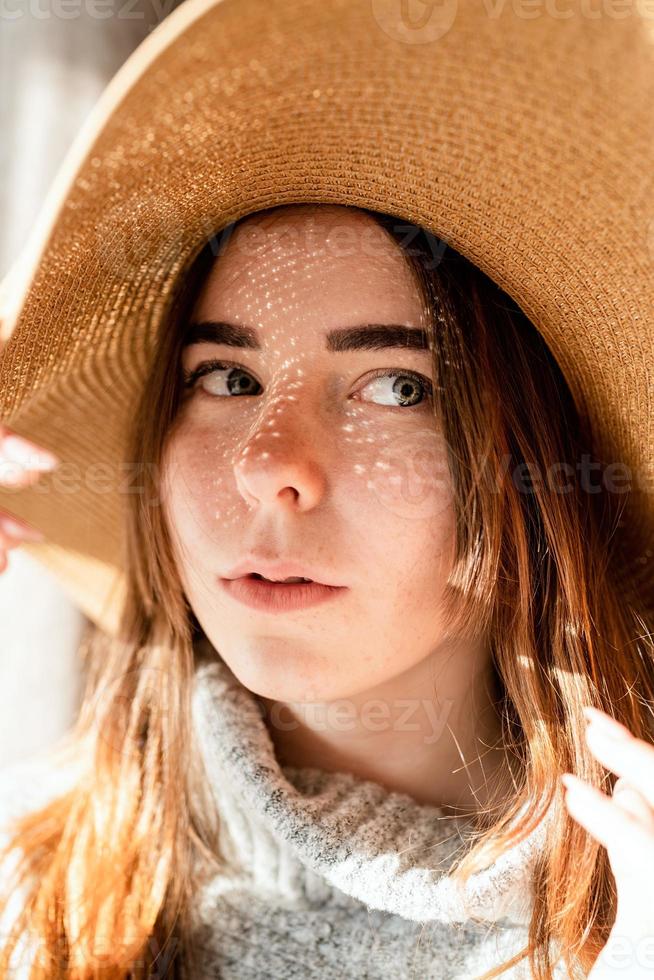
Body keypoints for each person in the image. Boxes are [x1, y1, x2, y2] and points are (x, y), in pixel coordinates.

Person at [0, 1, 653, 978]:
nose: (271, 463)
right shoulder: (32, 907)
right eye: (227, 377)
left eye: (395, 386)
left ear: (533, 465)